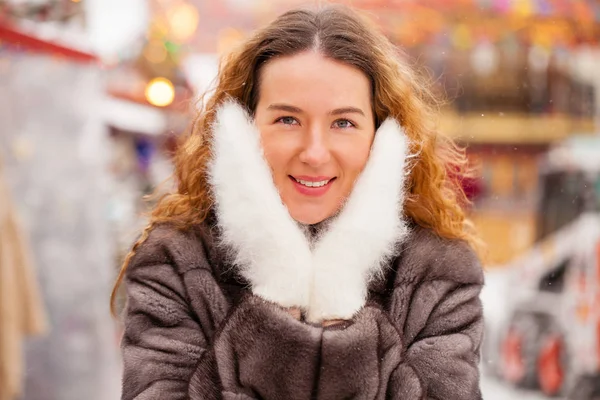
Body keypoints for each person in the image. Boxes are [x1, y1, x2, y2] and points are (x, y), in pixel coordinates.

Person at [114, 5, 485, 400]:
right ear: (240, 128)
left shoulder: (438, 273)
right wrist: (276, 288)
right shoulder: (176, 264)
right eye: (287, 120)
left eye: (343, 123)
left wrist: (339, 291)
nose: (314, 152)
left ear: (383, 137)